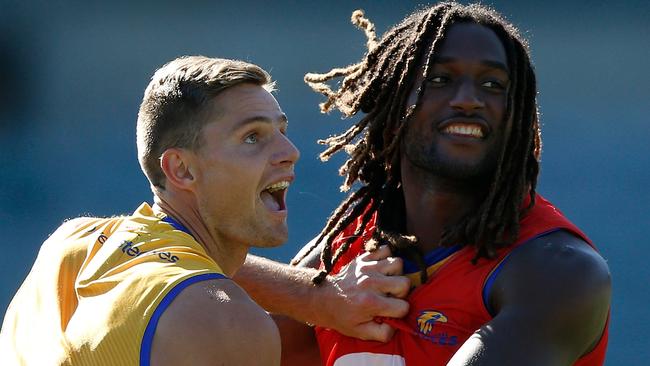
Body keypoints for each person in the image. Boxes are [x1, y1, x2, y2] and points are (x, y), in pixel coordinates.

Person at [234, 3, 611, 365]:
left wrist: (305, 294)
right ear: (392, 104)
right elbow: (222, 344)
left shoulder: (558, 271)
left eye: (494, 84)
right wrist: (313, 296)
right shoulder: (348, 249)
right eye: (439, 80)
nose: (468, 100)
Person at [0, 56, 299, 365]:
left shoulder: (71, 241)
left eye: (282, 132)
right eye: (252, 137)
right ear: (181, 169)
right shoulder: (223, 318)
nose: (290, 152)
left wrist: (313, 295)